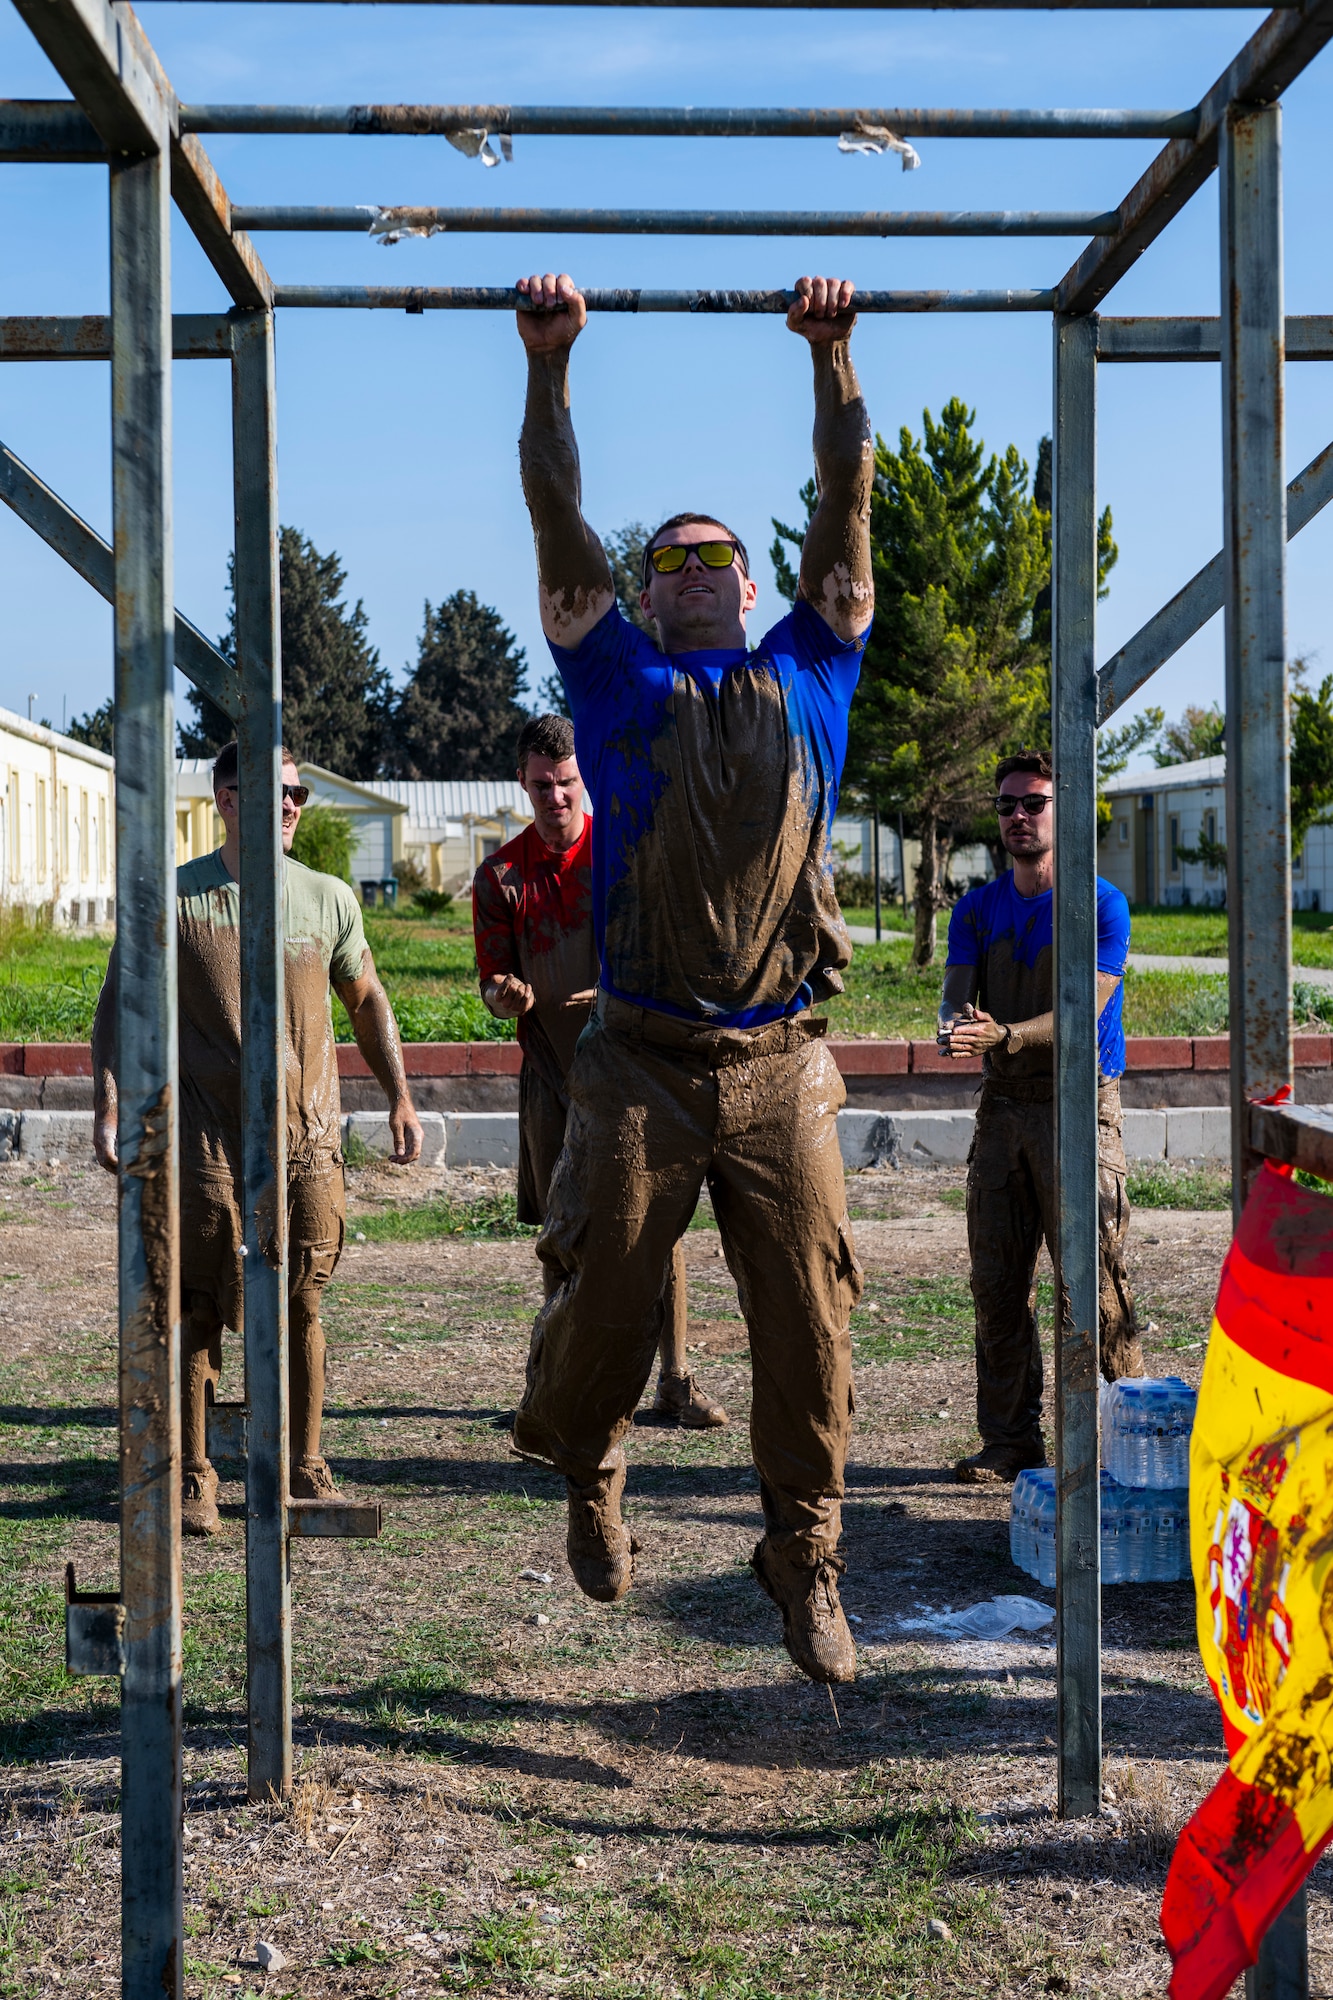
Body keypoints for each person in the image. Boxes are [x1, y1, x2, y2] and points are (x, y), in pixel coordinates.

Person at [508, 269, 874, 1686]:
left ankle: (804, 1558)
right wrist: (550, 367)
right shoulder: (616, 690)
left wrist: (831, 359)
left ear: (753, 585)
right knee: (600, 1303)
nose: (694, 568)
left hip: (781, 1062)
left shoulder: (814, 672)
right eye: (668, 560)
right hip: (641, 1058)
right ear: (644, 601)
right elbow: (554, 515)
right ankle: (591, 1461)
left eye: (716, 555)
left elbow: (845, 500)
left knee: (809, 1324)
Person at [92, 743, 424, 1534]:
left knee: (303, 1301)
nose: (288, 805)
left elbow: (367, 997)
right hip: (201, 1137)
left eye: (297, 794)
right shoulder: (174, 896)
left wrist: (400, 1097)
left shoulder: (328, 898)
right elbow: (119, 1003)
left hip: (305, 1140)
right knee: (194, 1306)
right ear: (225, 798)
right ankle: (191, 1475)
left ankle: (303, 1471)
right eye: (271, 792)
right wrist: (105, 1103)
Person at [472, 711, 728, 1428]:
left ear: (585, 779)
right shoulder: (500, 877)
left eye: (565, 783)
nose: (554, 798)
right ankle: (552, 1385)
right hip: (552, 1074)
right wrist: (505, 994)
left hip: (639, 1072)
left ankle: (674, 1381)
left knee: (659, 1225)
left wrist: (617, 990)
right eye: (540, 786)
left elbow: (676, 958)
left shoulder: (626, 856)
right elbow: (492, 986)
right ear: (521, 785)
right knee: (562, 1232)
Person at [941, 749, 1148, 1485]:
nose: (1018, 817)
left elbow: (1081, 1009)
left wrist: (1003, 1034)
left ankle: (1118, 1446)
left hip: (1078, 1104)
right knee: (996, 1285)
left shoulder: (1099, 904)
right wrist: (957, 1026)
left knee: (1090, 1286)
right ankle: (1009, 1441)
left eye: (1033, 803)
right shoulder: (975, 909)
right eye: (1006, 806)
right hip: (1002, 1110)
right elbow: (955, 995)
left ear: (1064, 812)